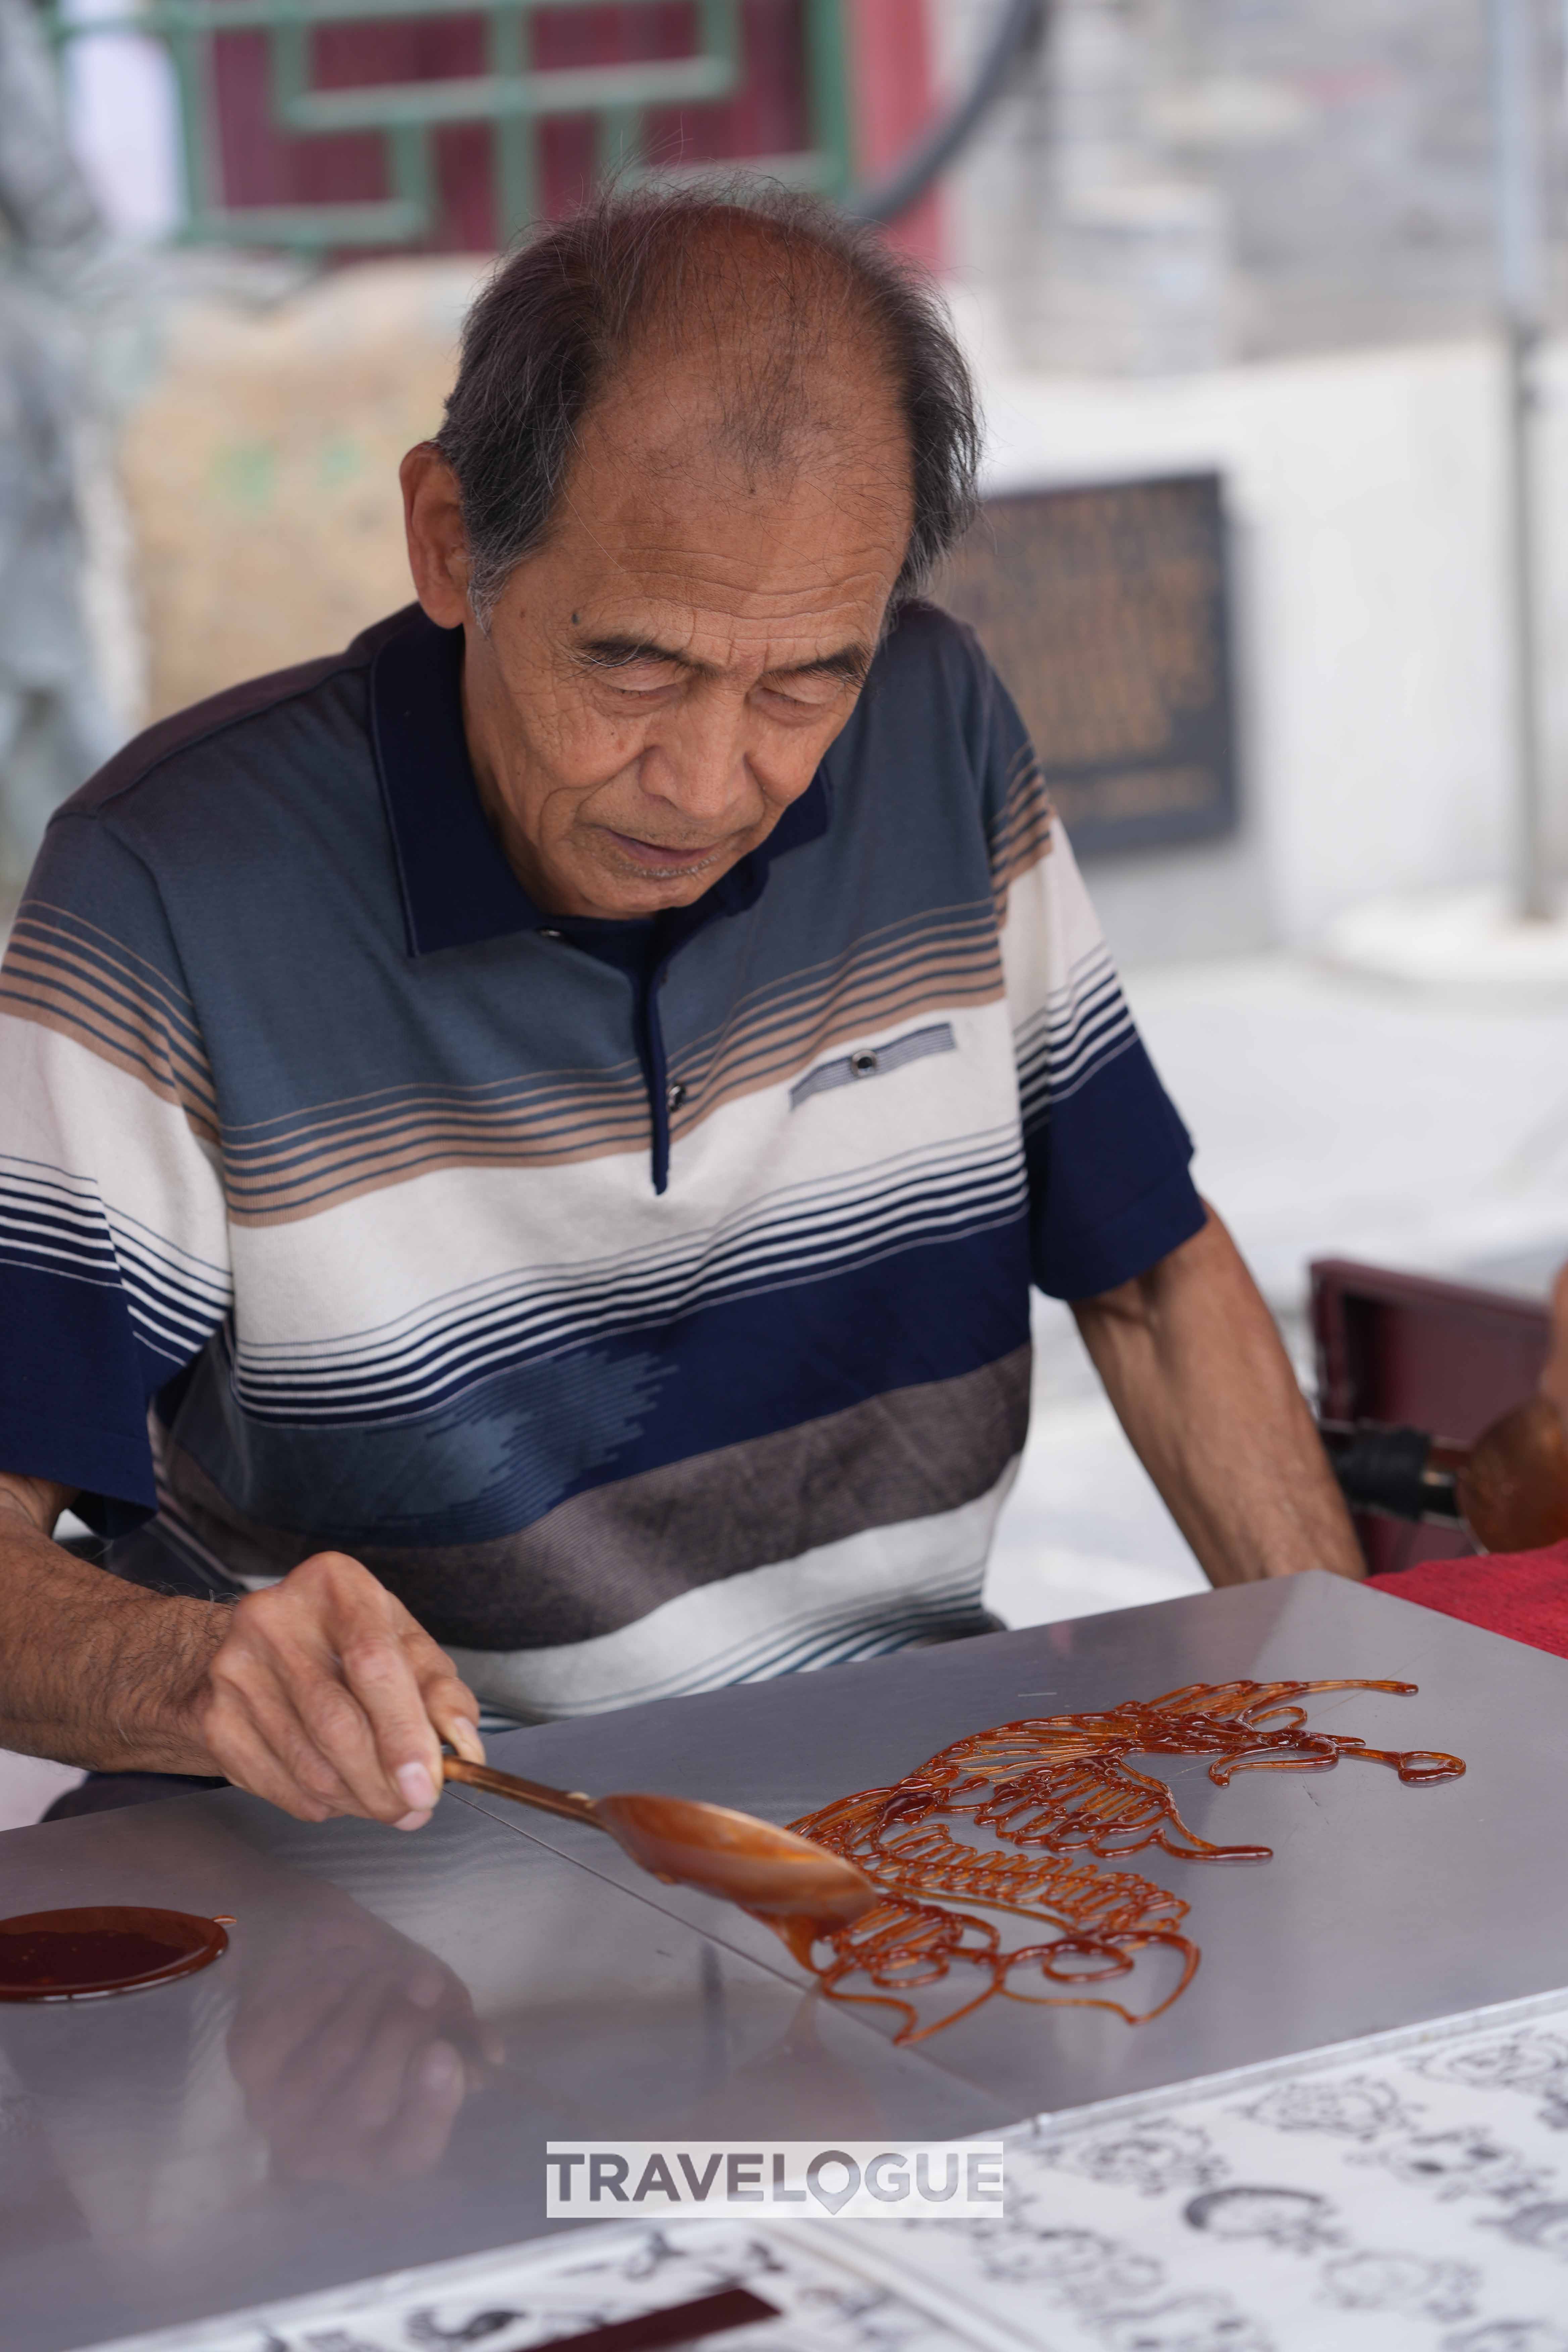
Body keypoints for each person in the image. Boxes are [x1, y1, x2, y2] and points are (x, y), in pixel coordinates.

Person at [0, 187, 1363, 1836]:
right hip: (395, 1861)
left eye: (805, 679)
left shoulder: (930, 731)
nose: (715, 784)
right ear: (448, 541)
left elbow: (1148, 1283)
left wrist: (1368, 1722)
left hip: (894, 1812)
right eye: (635, 668)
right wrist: (195, 1674)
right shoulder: (170, 886)